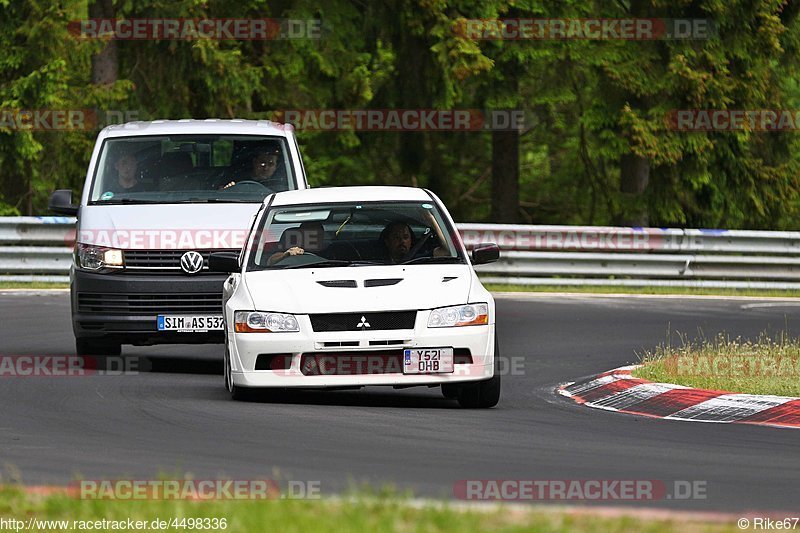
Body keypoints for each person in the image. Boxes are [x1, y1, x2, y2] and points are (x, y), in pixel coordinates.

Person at [380, 213, 449, 264]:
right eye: (397, 237)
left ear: (411, 240)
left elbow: (446, 250)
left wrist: (430, 218)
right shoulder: (376, 261)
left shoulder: (419, 259)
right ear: (387, 242)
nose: (402, 241)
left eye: (405, 237)